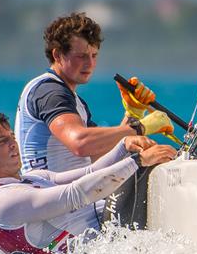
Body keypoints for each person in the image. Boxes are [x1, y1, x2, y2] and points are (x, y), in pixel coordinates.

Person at [0, 112, 175, 254]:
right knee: (139, 171)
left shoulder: (34, 178)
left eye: (12, 137)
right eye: (2, 142)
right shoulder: (2, 202)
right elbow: (76, 194)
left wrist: (124, 146)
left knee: (135, 166)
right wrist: (137, 161)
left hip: (104, 246)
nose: (13, 144)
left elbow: (90, 172)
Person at [15, 12, 173, 173]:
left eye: (94, 55)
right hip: (50, 194)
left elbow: (99, 154)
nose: (90, 64)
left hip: (69, 193)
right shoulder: (50, 92)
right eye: (81, 56)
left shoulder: (74, 100)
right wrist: (141, 127)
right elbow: (80, 143)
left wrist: (133, 114)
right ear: (57, 55)